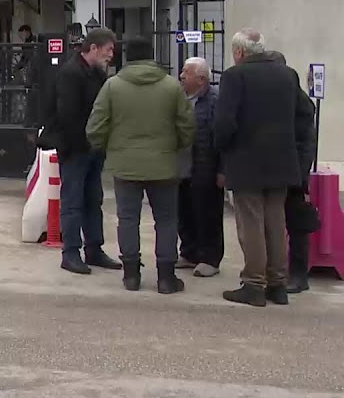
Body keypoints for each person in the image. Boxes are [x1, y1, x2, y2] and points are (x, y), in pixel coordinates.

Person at [214, 30, 316, 307]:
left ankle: (254, 283)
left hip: (247, 162)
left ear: (239, 52)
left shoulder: (235, 76)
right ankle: (278, 284)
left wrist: (221, 148)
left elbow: (225, 123)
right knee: (275, 222)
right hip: (282, 161)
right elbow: (305, 115)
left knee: (251, 225)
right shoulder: (287, 74)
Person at [86, 37, 195, 293]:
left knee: (128, 219)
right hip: (164, 163)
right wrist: (176, 147)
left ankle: (131, 275)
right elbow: (187, 126)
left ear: (127, 57)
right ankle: (166, 278)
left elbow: (95, 126)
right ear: (152, 55)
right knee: (166, 220)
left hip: (125, 164)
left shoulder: (113, 86)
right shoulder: (170, 86)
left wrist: (107, 148)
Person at [42, 27, 122, 275]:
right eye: (108, 49)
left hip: (93, 148)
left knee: (93, 200)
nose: (111, 55)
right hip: (76, 148)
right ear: (94, 48)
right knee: (73, 201)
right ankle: (71, 253)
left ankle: (94, 249)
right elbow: (68, 115)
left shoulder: (96, 73)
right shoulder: (71, 73)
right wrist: (85, 143)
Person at [267, 51, 319, 294]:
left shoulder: (299, 104)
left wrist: (299, 177)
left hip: (293, 173)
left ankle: (298, 274)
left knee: (296, 224)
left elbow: (305, 144)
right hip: (276, 170)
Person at [176, 58, 224, 278]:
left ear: (202, 79)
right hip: (182, 166)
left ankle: (210, 258)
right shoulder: (179, 97)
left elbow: (221, 138)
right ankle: (189, 252)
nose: (181, 76)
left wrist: (222, 169)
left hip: (206, 167)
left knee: (207, 213)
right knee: (184, 211)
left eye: (187, 72)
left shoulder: (215, 100)